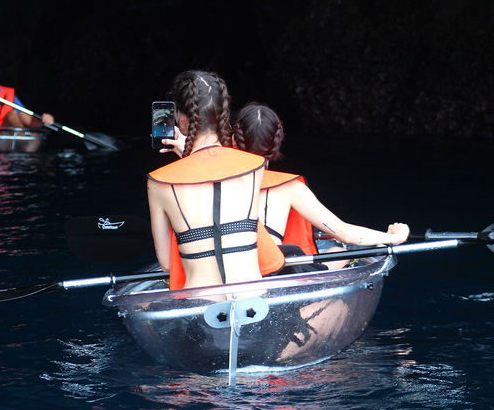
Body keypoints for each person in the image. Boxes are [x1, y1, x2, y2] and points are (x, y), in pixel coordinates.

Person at [147, 71, 286, 290]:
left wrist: (187, 158)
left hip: (201, 307)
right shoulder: (255, 166)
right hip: (255, 300)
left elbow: (166, 264)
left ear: (182, 120)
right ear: (224, 115)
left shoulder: (158, 182)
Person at [232, 102, 409, 263]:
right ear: (277, 142)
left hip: (228, 271)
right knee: (337, 250)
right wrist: (395, 237)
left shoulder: (214, 184)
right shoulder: (290, 189)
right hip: (269, 274)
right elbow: (345, 234)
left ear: (233, 141)